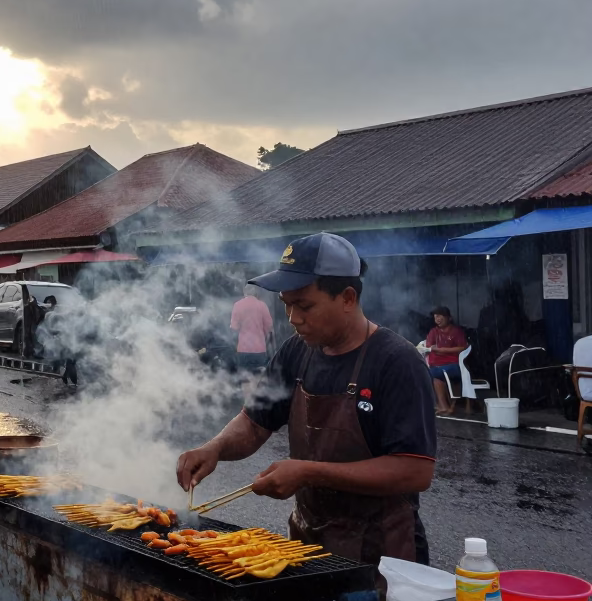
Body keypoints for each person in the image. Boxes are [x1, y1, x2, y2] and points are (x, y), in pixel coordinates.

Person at [176, 233, 437, 565]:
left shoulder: (397, 362)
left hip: (383, 555)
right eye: (286, 304)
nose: (292, 318)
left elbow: (415, 471)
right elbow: (255, 423)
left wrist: (309, 472)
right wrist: (215, 447)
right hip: (307, 548)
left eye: (304, 305)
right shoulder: (296, 352)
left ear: (347, 298)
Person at [425, 306, 469, 414]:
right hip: (437, 366)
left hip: (453, 365)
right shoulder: (433, 332)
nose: (437, 319)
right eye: (435, 317)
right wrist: (435, 349)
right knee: (434, 376)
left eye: (440, 316)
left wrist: (444, 350)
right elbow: (430, 346)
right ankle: (443, 406)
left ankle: (444, 405)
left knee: (433, 373)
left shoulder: (456, 331)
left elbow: (463, 347)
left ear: (449, 318)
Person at [231, 284, 275, 385]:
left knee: (245, 379)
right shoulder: (262, 305)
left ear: (244, 293)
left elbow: (234, 328)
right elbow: (269, 328)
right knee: (259, 378)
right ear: (255, 293)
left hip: (243, 349)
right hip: (259, 349)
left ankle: (247, 400)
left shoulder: (237, 305)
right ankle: (257, 399)